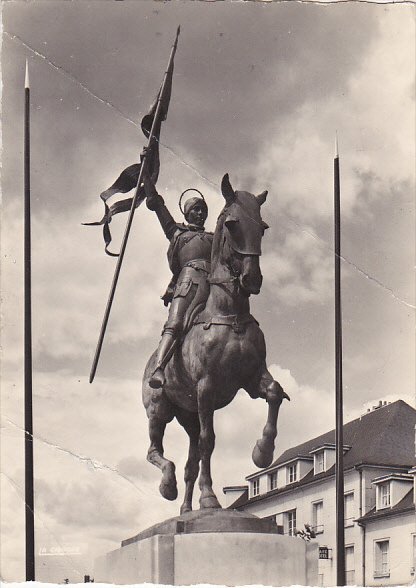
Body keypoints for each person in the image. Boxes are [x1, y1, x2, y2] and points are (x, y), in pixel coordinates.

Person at [143, 174, 213, 389]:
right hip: (187, 283)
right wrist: (146, 176)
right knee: (175, 323)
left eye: (203, 210)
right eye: (196, 209)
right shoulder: (176, 232)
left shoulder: (213, 237)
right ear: (187, 212)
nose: (200, 213)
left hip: (213, 284)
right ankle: (159, 369)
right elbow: (157, 205)